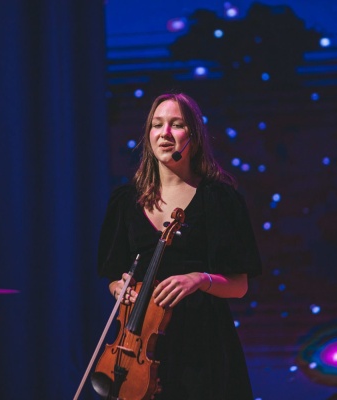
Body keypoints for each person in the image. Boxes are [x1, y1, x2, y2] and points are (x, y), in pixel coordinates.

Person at [97, 92, 262, 400]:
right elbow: (114, 276)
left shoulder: (219, 199)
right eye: (157, 124)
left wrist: (199, 279)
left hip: (203, 344)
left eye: (176, 124)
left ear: (194, 136)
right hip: (138, 343)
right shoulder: (126, 201)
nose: (165, 133)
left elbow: (239, 285)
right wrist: (119, 288)